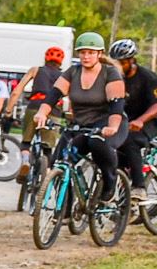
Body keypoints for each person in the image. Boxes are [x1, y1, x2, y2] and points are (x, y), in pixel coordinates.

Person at [33, 32, 126, 201]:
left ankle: (109, 184)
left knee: (96, 142)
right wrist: (42, 113)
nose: (86, 56)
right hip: (81, 125)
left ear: (99, 54)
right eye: (82, 52)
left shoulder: (110, 73)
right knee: (60, 160)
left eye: (91, 52)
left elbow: (116, 105)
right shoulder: (73, 72)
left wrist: (112, 127)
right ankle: (65, 210)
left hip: (108, 123)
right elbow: (53, 95)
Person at [108, 38, 157, 199]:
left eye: (122, 63)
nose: (119, 67)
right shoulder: (114, 77)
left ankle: (139, 187)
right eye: (115, 63)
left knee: (130, 141)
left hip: (150, 120)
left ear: (132, 61)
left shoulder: (148, 77)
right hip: (126, 120)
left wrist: (141, 120)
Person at [11, 45, 67, 176]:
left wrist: (9, 110)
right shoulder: (65, 76)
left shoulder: (35, 70)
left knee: (26, 142)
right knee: (48, 147)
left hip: (35, 107)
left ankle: (25, 161)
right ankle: (46, 173)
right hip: (54, 110)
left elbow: (17, 91)